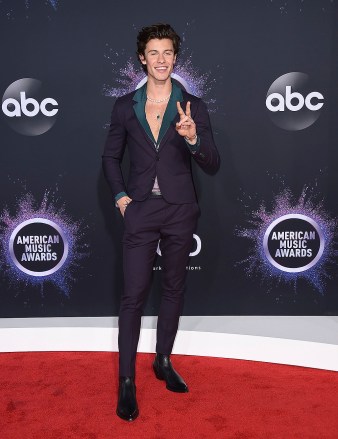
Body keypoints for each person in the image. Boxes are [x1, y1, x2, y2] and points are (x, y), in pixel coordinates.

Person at [102, 23, 220, 421]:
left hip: (179, 210)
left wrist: (192, 139)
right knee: (133, 296)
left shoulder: (193, 106)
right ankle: (126, 382)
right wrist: (121, 197)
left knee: (173, 288)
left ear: (175, 58)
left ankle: (163, 361)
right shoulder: (125, 106)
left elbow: (212, 163)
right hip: (139, 209)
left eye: (167, 52)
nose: (161, 60)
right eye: (153, 53)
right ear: (142, 58)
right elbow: (109, 157)